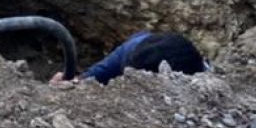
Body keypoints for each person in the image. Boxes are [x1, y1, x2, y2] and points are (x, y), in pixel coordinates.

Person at [52, 31, 207, 86]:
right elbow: (99, 72)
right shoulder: (134, 48)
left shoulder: (196, 80)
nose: (128, 74)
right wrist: (74, 82)